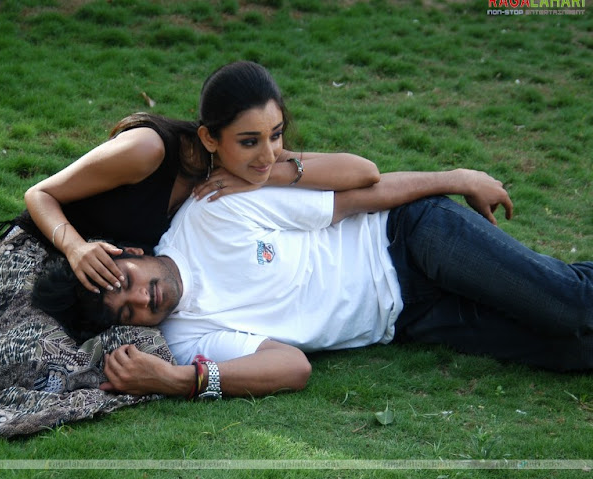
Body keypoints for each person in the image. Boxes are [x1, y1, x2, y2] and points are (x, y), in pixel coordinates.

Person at [0, 60, 379, 361]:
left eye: (274, 136)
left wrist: (270, 169)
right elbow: (39, 195)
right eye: (251, 142)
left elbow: (363, 172)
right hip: (45, 249)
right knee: (20, 348)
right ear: (211, 137)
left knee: (100, 363)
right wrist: (74, 247)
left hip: (116, 286)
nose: (267, 151)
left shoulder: (242, 164)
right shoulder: (148, 150)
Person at [45, 166, 593, 400]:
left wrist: (456, 178)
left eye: (126, 282)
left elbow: (355, 197)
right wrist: (177, 380)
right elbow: (293, 367)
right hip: (410, 320)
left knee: (569, 306)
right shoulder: (186, 340)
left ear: (130, 253)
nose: (142, 298)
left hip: (409, 236)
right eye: (128, 312)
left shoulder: (209, 213)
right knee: (572, 350)